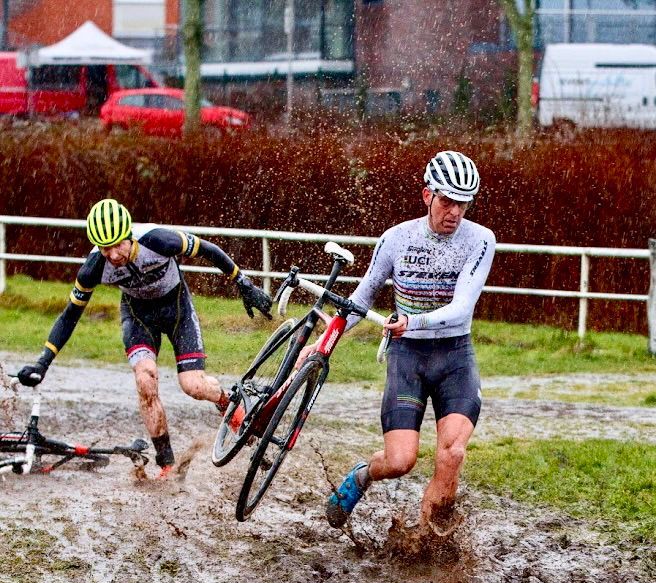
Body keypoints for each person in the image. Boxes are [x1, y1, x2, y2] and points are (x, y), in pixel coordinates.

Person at [17, 198, 272, 478]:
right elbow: (69, 316)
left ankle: (227, 400)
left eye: (117, 245)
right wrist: (43, 362)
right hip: (138, 316)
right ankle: (167, 465)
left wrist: (244, 285)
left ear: (128, 235)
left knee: (193, 385)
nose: (113, 255)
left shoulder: (158, 240)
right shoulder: (94, 267)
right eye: (104, 248)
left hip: (176, 308)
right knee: (145, 380)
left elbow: (208, 250)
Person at [325, 150, 496, 536]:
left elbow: (462, 307)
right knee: (401, 461)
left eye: (463, 204)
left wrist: (411, 321)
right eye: (447, 201)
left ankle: (428, 542)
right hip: (408, 357)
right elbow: (362, 298)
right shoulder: (397, 238)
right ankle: (363, 475)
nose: (455, 212)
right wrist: (325, 341)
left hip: (454, 355)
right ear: (427, 195)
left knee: (452, 453)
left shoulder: (480, 240)